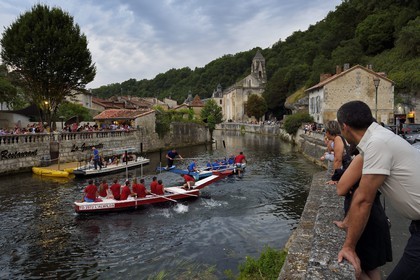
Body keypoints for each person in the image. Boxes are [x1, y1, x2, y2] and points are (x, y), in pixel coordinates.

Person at [335, 100, 420, 279]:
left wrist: (348, 247)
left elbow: (364, 199)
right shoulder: (378, 138)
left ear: (344, 127)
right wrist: (348, 221)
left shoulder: (377, 142)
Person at [333, 146, 392, 279]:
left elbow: (341, 189)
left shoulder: (364, 157)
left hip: (365, 219)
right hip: (375, 214)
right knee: (371, 267)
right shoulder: (377, 158)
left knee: (356, 269)